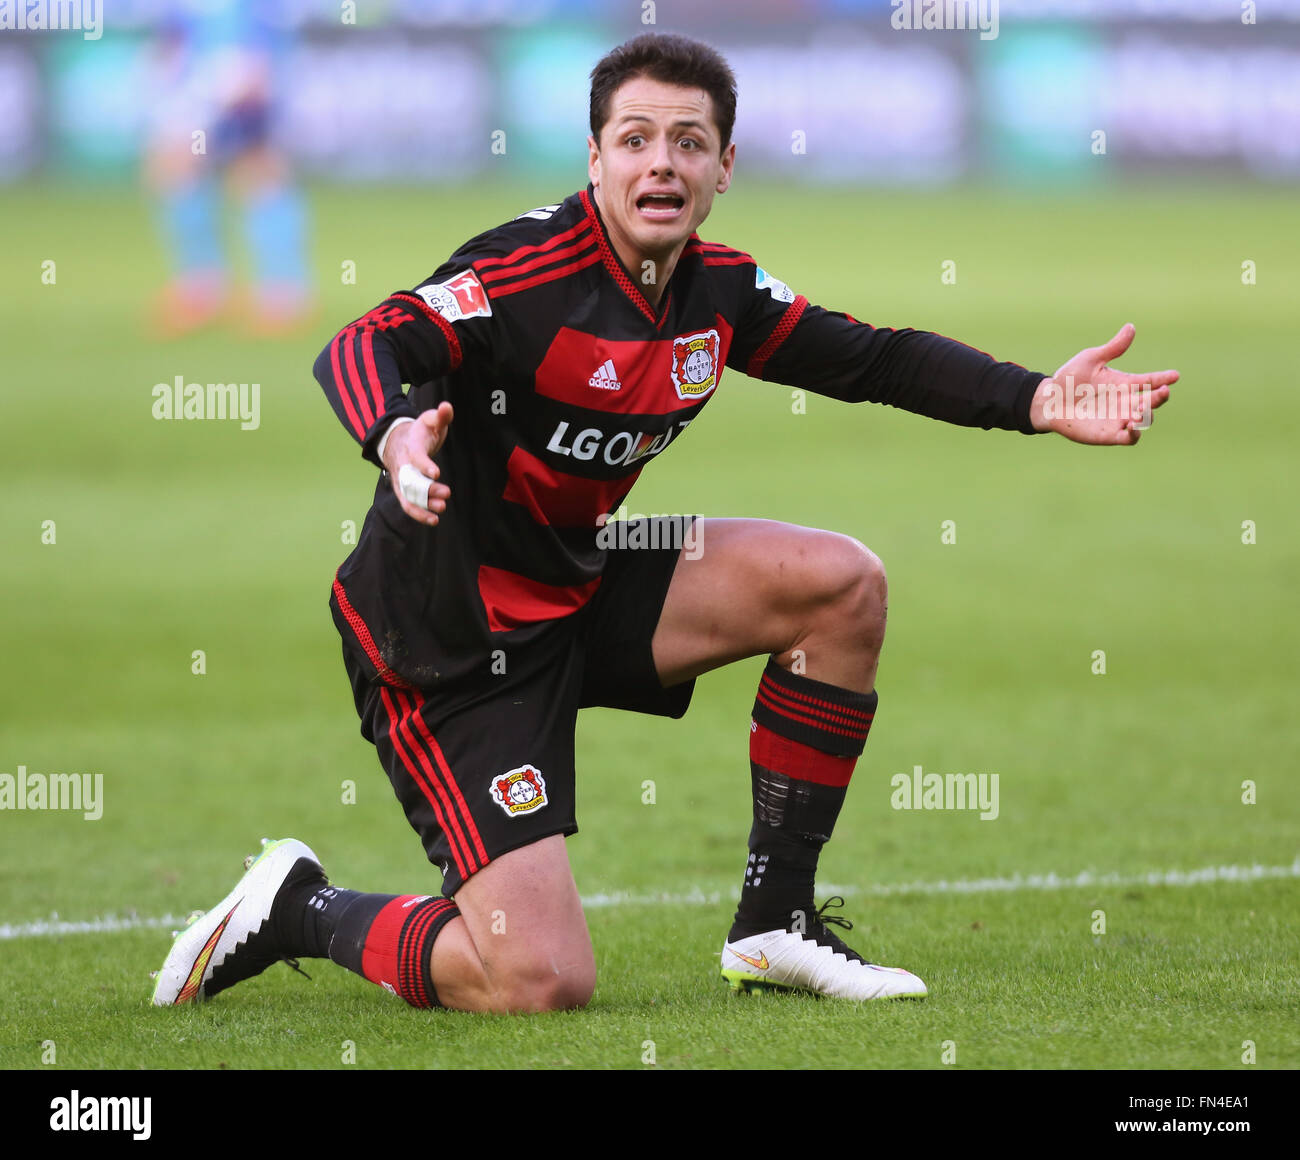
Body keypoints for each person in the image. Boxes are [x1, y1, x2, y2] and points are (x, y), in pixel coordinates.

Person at [152, 32, 1176, 1013]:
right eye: (635, 138)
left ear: (724, 165)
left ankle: (775, 924)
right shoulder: (523, 274)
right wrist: (393, 437)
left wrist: (1037, 396)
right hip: (449, 638)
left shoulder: (716, 291)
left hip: (582, 576)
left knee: (840, 583)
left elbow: (873, 359)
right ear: (593, 156)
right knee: (538, 981)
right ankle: (299, 907)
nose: (661, 162)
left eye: (687, 141)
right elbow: (370, 337)